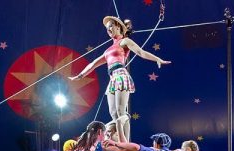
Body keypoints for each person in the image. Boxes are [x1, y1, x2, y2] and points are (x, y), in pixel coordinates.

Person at [70, 16, 170, 144]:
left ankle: (125, 142)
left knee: (121, 110)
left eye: (111, 26)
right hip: (112, 79)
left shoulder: (124, 41)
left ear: (118, 26)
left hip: (121, 76)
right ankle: (120, 138)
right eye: (107, 28)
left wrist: (157, 59)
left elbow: (141, 52)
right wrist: (79, 76)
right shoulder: (108, 50)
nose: (108, 30)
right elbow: (93, 64)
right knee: (113, 113)